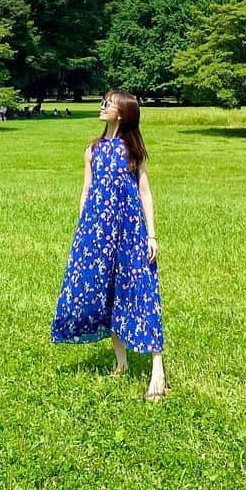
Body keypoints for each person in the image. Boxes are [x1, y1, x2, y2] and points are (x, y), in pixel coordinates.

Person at [51, 89, 168, 402]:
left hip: (130, 233)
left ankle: (158, 368)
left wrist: (151, 236)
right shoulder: (92, 149)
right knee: (106, 291)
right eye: (103, 103)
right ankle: (121, 362)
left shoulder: (133, 150)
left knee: (142, 291)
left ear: (124, 112)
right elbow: (86, 192)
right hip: (97, 232)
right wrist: (82, 230)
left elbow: (145, 193)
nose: (103, 108)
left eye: (109, 104)